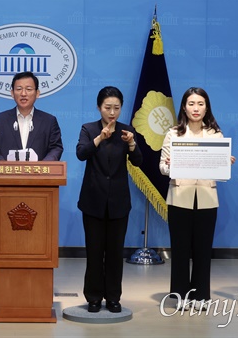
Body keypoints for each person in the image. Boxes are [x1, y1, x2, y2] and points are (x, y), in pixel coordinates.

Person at [159, 87, 235, 310]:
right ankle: (181, 295)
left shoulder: (215, 134)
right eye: (191, 103)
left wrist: (225, 163)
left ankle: (200, 295)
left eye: (200, 104)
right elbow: (162, 166)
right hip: (179, 197)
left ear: (206, 107)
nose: (196, 108)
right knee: (180, 248)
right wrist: (169, 167)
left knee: (203, 249)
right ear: (184, 106)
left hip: (206, 198)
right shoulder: (173, 133)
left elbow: (220, 172)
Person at [76, 86, 142, 313]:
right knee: (94, 252)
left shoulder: (126, 131)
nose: (112, 113)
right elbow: (81, 153)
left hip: (118, 203)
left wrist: (132, 144)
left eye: (116, 108)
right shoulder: (88, 128)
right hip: (93, 200)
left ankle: (113, 296)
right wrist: (98, 139)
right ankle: (93, 297)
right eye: (107, 108)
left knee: (115, 253)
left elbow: (138, 161)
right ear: (99, 107)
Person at [0, 71, 63, 161]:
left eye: (28, 89)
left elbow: (56, 148)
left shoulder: (49, 121)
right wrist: (7, 166)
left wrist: (42, 166)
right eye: (19, 89)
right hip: (7, 174)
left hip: (39, 174)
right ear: (12, 93)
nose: (23, 94)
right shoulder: (0, 120)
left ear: (37, 93)